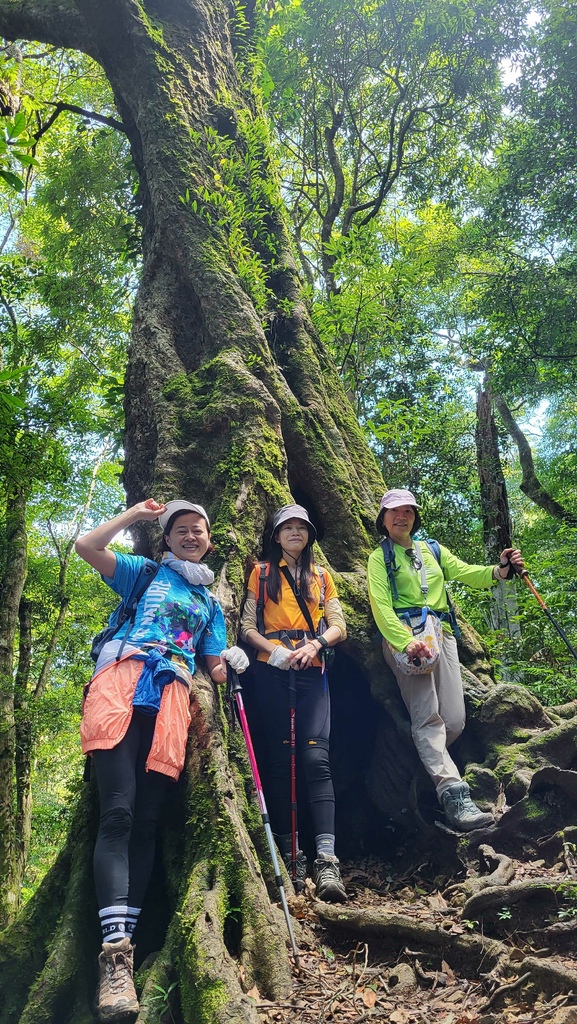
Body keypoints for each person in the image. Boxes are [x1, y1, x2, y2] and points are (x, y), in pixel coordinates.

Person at [75, 498, 248, 1023]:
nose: (191, 536)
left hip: (173, 698)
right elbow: (86, 546)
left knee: (147, 821)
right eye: (181, 530)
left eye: (199, 530)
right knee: (119, 813)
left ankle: (124, 949)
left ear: (210, 539)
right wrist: (133, 516)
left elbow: (214, 666)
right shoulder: (143, 573)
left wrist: (234, 659)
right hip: (124, 681)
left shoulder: (211, 604)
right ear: (167, 539)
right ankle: (115, 955)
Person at [367, 489, 524, 833]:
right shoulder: (380, 558)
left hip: (442, 634)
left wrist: (500, 570)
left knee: (453, 719)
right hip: (407, 636)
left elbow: (469, 573)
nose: (401, 516)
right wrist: (406, 643)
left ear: (415, 517)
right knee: (428, 718)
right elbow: (380, 606)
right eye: (394, 511)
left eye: (408, 511)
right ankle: (454, 795)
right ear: (383, 518)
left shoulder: (432, 550)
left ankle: (422, 762)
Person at [240, 504, 348, 902]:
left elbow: (339, 625)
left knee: (315, 759)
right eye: (288, 527)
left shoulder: (322, 576)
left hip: (312, 673)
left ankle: (326, 859)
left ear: (310, 535)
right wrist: (274, 650)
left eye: (302, 526)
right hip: (272, 672)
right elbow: (247, 625)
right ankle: (290, 853)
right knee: (279, 760)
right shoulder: (261, 573)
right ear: (276, 535)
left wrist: (315, 644)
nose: (295, 532)